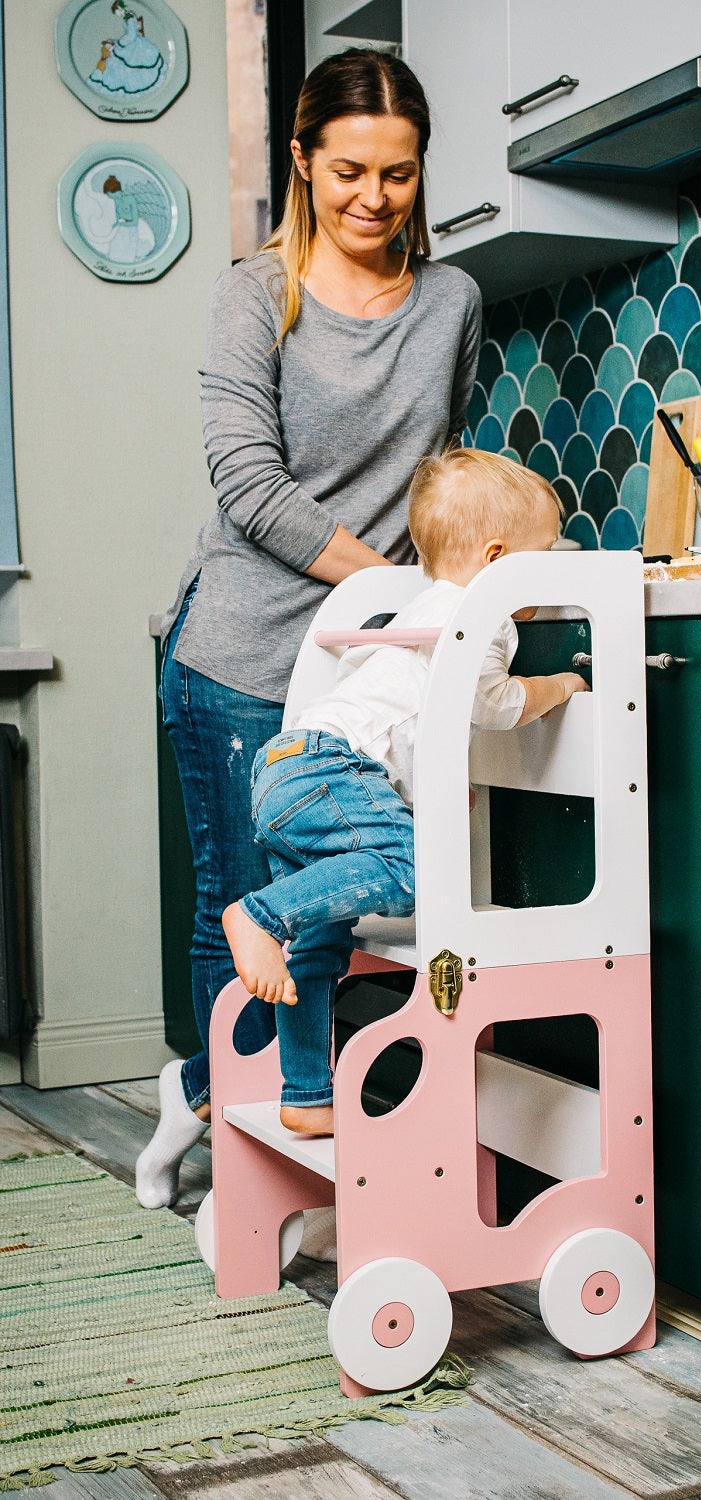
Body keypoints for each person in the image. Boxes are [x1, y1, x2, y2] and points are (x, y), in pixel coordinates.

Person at [136, 49, 482, 1209]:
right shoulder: (255, 292)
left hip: (368, 674)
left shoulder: (452, 301)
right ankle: (232, 1140)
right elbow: (250, 485)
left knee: (337, 908)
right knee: (241, 899)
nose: (374, 198)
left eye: (398, 173)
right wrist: (396, 597)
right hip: (244, 651)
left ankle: (228, 1101)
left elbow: (439, 469)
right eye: (348, 171)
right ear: (301, 160)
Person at [221, 449, 589, 1136]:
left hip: (288, 765)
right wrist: (562, 685)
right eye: (541, 557)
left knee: (318, 948)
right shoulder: (482, 617)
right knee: (417, 868)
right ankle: (260, 916)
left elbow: (409, 719)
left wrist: (436, 791)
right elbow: (494, 704)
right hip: (331, 770)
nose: (546, 574)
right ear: (496, 559)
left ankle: (306, 1095)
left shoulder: (413, 608)